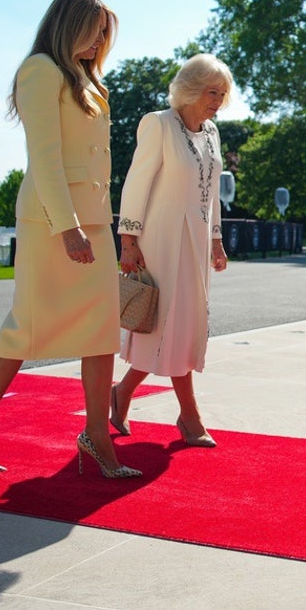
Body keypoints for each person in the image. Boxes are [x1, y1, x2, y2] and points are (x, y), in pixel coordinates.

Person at [0, 0, 140, 479]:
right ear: (68, 25)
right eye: (94, 32)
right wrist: (67, 227)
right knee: (25, 328)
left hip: (93, 221)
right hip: (53, 223)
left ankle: (96, 437)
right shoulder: (39, 71)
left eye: (104, 36)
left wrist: (99, 226)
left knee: (100, 332)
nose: (100, 43)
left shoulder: (91, 83)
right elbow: (45, 159)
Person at [109, 54, 231, 448]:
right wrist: (128, 240)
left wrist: (216, 240)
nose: (217, 100)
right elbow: (136, 183)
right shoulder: (158, 123)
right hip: (159, 241)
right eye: (212, 91)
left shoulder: (212, 132)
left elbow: (212, 193)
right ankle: (190, 417)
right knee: (166, 323)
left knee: (178, 326)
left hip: (195, 242)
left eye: (223, 94)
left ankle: (122, 392)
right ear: (191, 89)